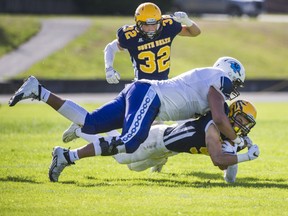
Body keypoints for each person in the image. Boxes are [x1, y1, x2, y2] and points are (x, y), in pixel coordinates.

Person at [9, 56, 247, 159]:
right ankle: (72, 154)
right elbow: (218, 117)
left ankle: (38, 91)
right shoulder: (219, 78)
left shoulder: (208, 80)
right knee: (131, 142)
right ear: (228, 73)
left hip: (144, 92)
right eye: (235, 82)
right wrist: (235, 139)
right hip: (150, 95)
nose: (233, 88)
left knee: (91, 122)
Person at [46, 100, 259, 183]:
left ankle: (86, 132)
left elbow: (229, 171)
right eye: (241, 119)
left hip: (166, 149)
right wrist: (248, 156)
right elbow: (219, 160)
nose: (243, 125)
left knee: (134, 167)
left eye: (246, 123)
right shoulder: (213, 127)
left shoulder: (230, 137)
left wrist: (235, 168)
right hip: (158, 139)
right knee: (121, 157)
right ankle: (82, 130)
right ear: (231, 114)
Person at [104, 2, 201, 83]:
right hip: (142, 85)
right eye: (146, 25)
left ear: (160, 21)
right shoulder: (131, 36)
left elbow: (195, 33)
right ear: (138, 24)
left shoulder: (167, 27)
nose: (151, 29)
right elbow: (110, 48)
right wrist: (109, 68)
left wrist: (187, 21)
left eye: (154, 24)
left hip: (164, 84)